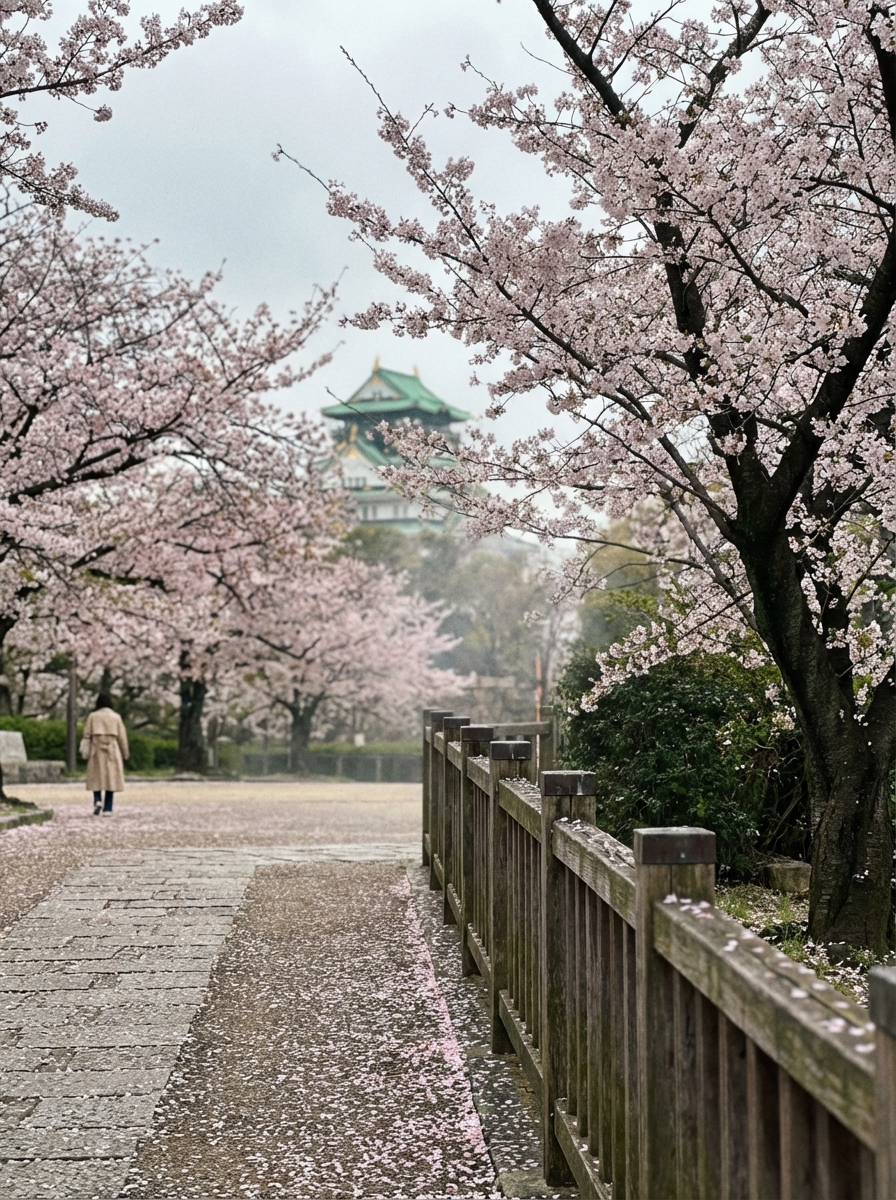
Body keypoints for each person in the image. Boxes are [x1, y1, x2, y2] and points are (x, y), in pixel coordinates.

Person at [80, 693, 129, 816]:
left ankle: (97, 800)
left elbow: (86, 734)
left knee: (96, 777)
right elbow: (122, 737)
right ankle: (108, 808)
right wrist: (125, 753)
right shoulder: (116, 717)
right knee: (110, 779)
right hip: (112, 749)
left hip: (96, 749)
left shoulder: (92, 716)